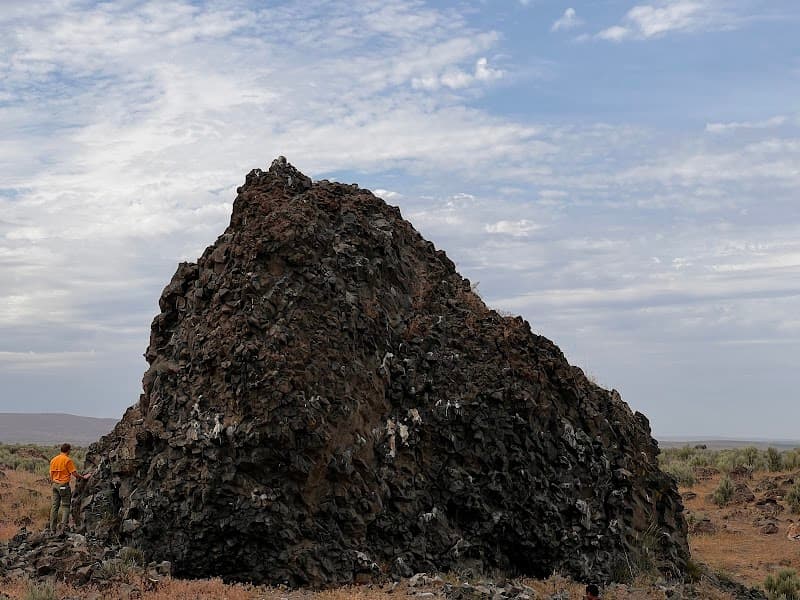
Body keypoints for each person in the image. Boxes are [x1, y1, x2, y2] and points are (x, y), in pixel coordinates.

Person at [48, 443, 90, 532]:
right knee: (66, 506)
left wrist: (55, 481)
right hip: (63, 486)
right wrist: (83, 477)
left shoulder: (54, 460)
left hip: (55, 485)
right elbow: (74, 473)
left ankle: (52, 529)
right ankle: (63, 529)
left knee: (54, 507)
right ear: (68, 450)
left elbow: (51, 474)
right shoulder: (67, 460)